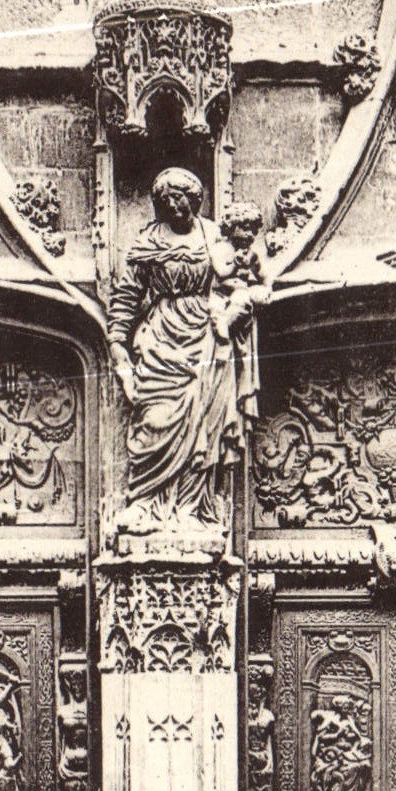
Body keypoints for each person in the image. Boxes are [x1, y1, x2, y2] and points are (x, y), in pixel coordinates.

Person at [107, 168, 261, 530]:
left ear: (195, 199)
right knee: (154, 417)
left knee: (202, 425)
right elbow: (127, 295)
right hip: (161, 336)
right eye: (166, 200)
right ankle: (144, 501)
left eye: (181, 198)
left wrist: (241, 303)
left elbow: (240, 277)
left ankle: (190, 509)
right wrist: (118, 348)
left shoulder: (213, 235)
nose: (174, 206)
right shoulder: (148, 240)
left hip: (207, 334)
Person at [208, 201, 270, 344]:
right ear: (231, 226)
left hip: (239, 294)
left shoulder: (250, 254)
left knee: (243, 298)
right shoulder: (221, 249)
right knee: (217, 306)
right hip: (219, 293)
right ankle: (222, 322)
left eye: (254, 231)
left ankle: (226, 322)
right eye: (246, 229)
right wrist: (235, 264)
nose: (250, 235)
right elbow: (222, 272)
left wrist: (266, 284)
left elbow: (263, 275)